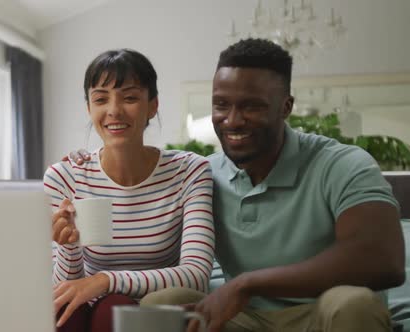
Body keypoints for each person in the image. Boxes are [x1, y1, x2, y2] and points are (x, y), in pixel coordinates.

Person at [70, 39, 406, 332]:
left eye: (251, 106)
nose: (232, 120)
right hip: (244, 317)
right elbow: (148, 173)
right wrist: (92, 162)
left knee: (352, 302)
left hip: (321, 314)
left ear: (286, 107)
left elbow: (382, 260)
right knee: (163, 302)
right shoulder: (202, 173)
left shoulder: (342, 163)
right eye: (221, 105)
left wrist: (248, 283)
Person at [44, 48, 215, 332]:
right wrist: (69, 245)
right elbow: (65, 286)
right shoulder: (65, 176)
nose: (113, 110)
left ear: (152, 105)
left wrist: (106, 280)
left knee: (114, 308)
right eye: (100, 99)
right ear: (89, 108)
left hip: (154, 310)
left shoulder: (190, 171)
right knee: (61, 310)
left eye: (130, 97)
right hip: (86, 306)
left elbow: (196, 276)